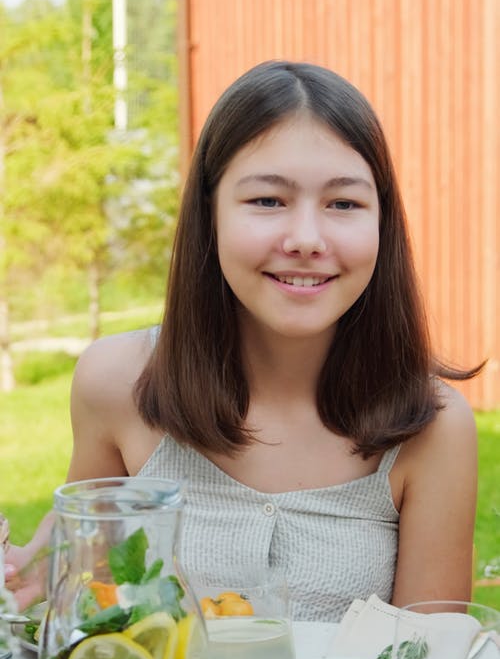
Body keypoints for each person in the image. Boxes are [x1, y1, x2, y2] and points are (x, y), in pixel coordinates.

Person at [5, 60, 481, 621]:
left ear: (383, 223)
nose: (306, 239)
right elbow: (82, 602)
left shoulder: (434, 424)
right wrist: (29, 577)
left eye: (344, 204)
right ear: (210, 215)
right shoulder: (115, 384)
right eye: (267, 201)